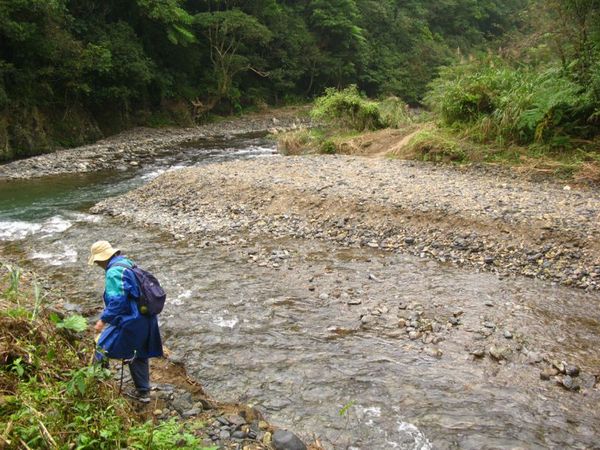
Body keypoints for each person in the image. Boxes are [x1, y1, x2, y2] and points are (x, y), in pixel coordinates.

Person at [88, 240, 163, 403]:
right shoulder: (127, 263)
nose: (98, 265)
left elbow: (118, 302)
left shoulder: (114, 272)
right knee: (139, 352)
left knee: (101, 346)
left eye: (97, 262)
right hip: (146, 316)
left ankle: (98, 386)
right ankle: (144, 393)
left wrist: (102, 321)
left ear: (102, 259)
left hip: (131, 319)